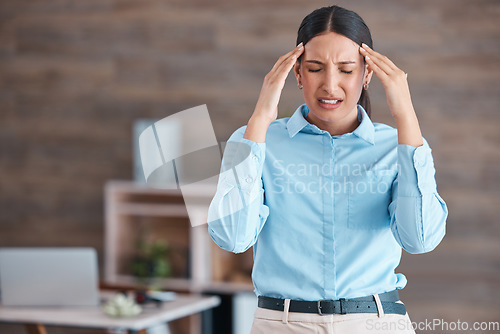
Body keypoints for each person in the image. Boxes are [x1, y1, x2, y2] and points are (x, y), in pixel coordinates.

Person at [207, 5, 448, 334]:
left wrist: (405, 115)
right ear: (297, 73)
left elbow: (419, 239)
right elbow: (233, 238)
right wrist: (261, 117)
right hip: (282, 323)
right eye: (316, 68)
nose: (330, 85)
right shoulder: (254, 140)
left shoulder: (398, 146)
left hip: (376, 322)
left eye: (347, 70)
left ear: (366, 74)